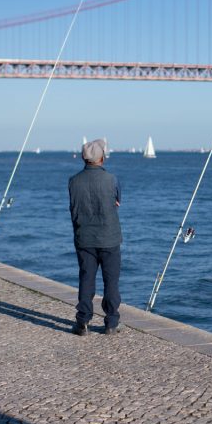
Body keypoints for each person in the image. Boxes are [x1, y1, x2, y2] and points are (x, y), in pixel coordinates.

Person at [68, 138, 122, 335]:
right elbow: (117, 202)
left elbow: (73, 209)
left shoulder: (74, 181)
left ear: (84, 158)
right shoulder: (111, 179)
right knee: (111, 281)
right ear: (102, 158)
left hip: (84, 238)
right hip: (109, 237)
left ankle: (82, 322)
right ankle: (111, 322)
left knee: (86, 280)